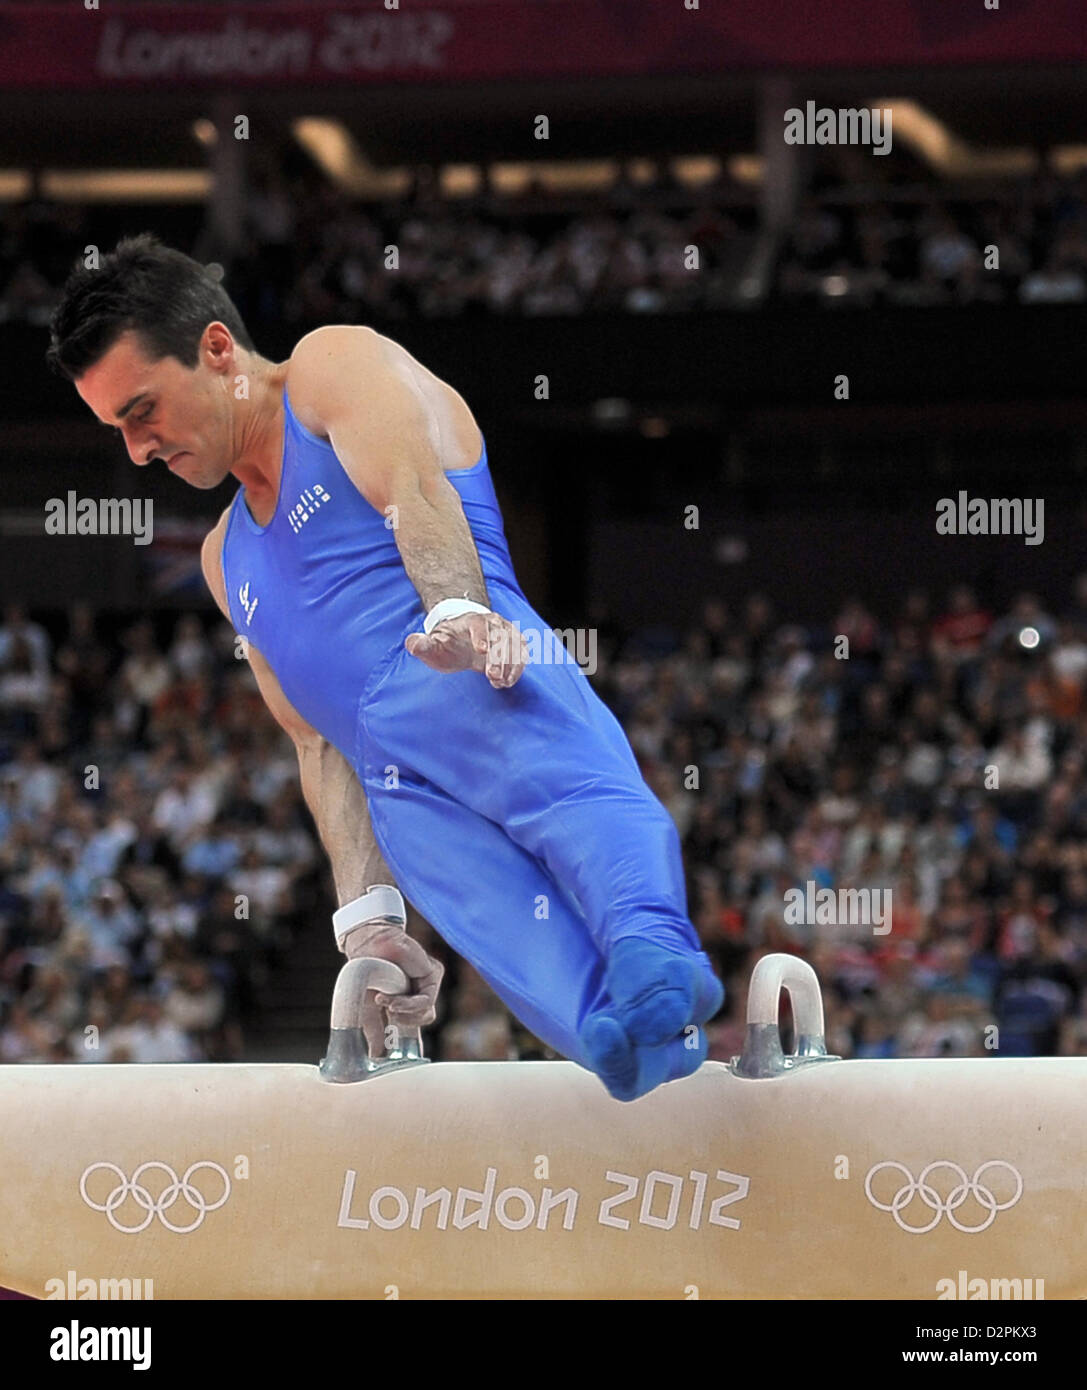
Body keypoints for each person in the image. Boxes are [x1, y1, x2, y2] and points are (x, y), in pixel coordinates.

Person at [46, 234, 723, 1101]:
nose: (138, 451)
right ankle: (643, 1044)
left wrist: (455, 614)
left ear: (217, 350)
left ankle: (656, 950)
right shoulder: (225, 561)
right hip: (398, 792)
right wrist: (369, 922)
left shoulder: (330, 368)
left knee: (597, 848)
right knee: (585, 1019)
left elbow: (414, 488)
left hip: (470, 667)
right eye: (117, 431)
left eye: (142, 411)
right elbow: (317, 747)